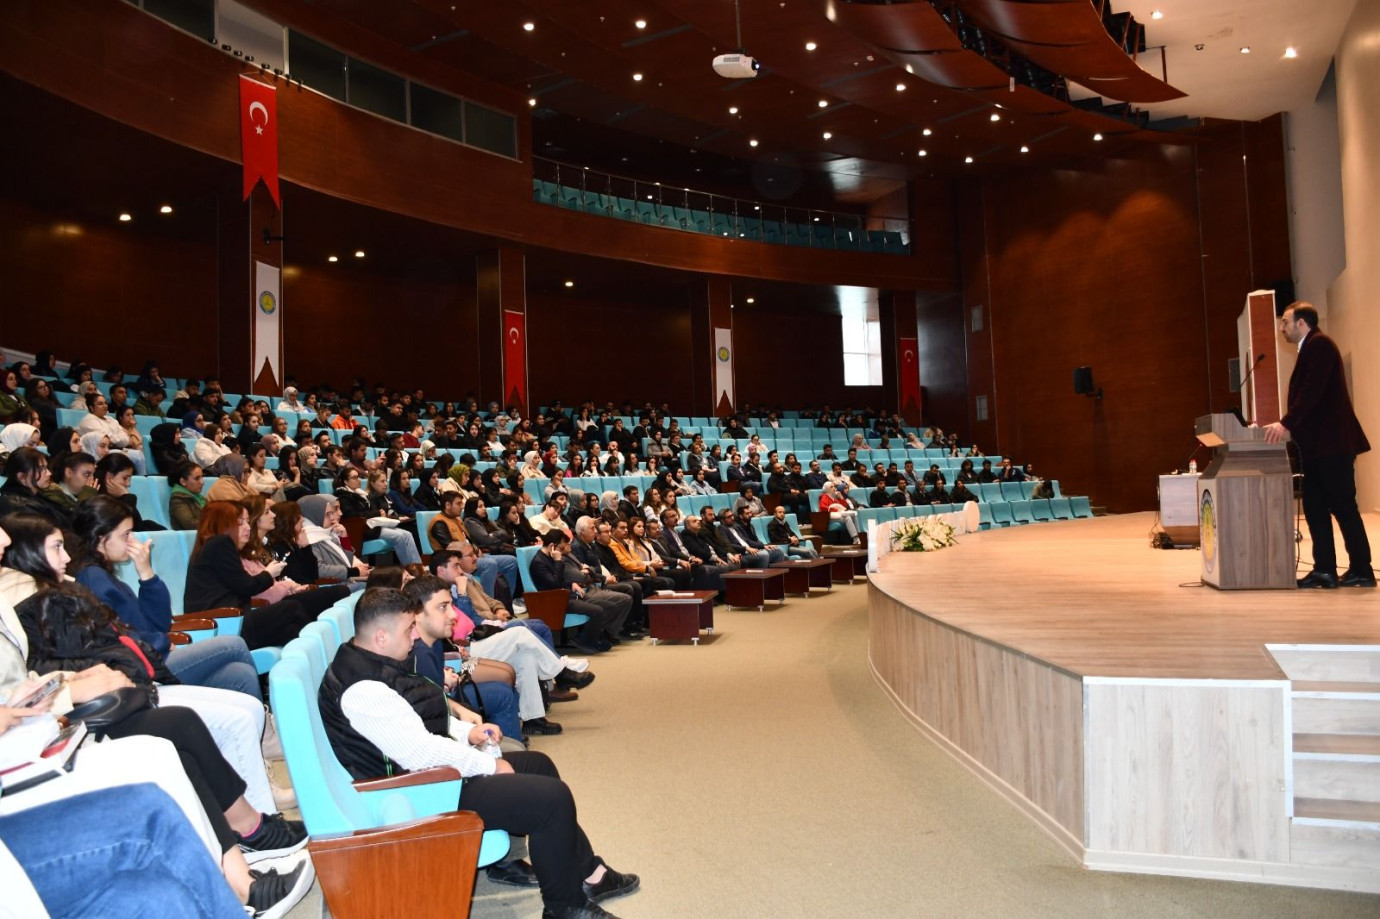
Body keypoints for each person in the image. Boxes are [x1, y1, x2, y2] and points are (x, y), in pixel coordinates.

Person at [319, 587, 638, 918]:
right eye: (408, 629)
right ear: (381, 636)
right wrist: (487, 764)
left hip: (426, 778)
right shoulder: (363, 689)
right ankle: (564, 907)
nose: (415, 636)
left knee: (538, 764)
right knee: (551, 800)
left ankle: (588, 873)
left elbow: (417, 719)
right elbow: (420, 754)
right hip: (415, 792)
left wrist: (464, 732)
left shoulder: (372, 659)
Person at [1263, 302, 1374, 588]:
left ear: (1302, 323)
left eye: (1285, 322)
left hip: (1332, 446)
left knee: (1343, 507)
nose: (1282, 328)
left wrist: (1285, 422)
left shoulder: (1320, 345)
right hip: (1318, 449)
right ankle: (1324, 569)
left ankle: (1362, 569)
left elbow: (1312, 391)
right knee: (1313, 506)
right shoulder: (1311, 347)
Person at [184, 501, 329, 649]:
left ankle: (311, 659)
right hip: (224, 623)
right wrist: (268, 574)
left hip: (230, 619)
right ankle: (321, 650)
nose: (248, 527)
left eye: (247, 522)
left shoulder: (209, 546)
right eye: (240, 523)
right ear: (224, 524)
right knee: (292, 608)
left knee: (290, 630)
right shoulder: (220, 543)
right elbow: (246, 586)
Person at [403, 575, 524, 749]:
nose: (453, 614)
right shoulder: (418, 654)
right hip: (444, 742)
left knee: (505, 683)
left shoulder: (434, 640)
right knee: (501, 693)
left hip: (450, 711)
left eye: (451, 605)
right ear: (418, 614)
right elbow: (433, 725)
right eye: (443, 607)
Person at [529, 531, 627, 654]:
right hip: (555, 600)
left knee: (610, 606)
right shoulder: (539, 562)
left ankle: (596, 637)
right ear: (552, 546)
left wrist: (571, 584)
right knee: (597, 611)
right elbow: (553, 583)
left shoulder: (549, 557)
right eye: (562, 546)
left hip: (565, 594)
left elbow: (559, 579)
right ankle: (584, 640)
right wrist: (558, 561)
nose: (564, 549)